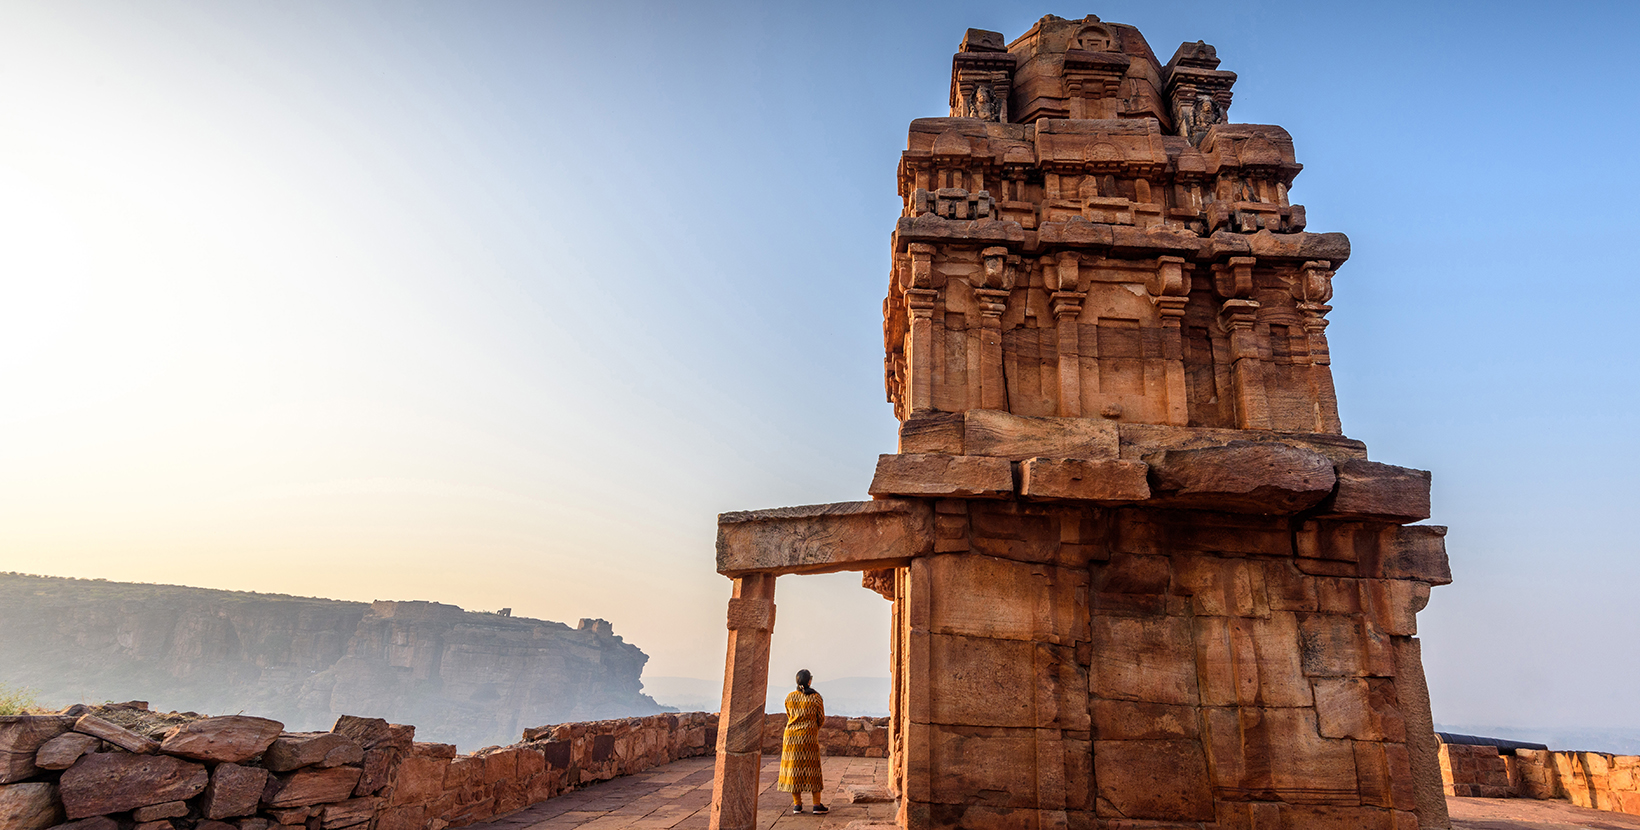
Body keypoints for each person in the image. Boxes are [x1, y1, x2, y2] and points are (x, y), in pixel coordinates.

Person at [778, 668, 827, 814]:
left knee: (794, 769)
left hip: (791, 738)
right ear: (809, 681)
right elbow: (821, 718)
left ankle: (797, 804)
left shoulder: (789, 697)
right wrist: (812, 728)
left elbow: (789, 715)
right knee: (813, 769)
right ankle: (816, 804)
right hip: (808, 737)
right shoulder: (816, 697)